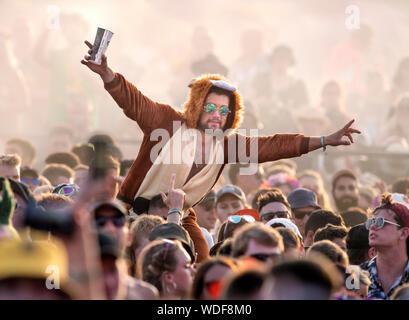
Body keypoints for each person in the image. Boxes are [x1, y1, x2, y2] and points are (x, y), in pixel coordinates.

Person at [81, 41, 360, 217]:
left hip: (182, 214)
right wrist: (107, 74)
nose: (217, 116)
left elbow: (275, 145)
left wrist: (325, 139)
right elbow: (135, 102)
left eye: (224, 111)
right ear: (197, 106)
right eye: (211, 108)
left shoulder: (227, 145)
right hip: (133, 211)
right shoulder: (167, 121)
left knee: (202, 261)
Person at [361, 193, 409, 299]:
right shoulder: (355, 275)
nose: (373, 226)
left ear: (403, 233)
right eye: (370, 222)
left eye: (381, 222)